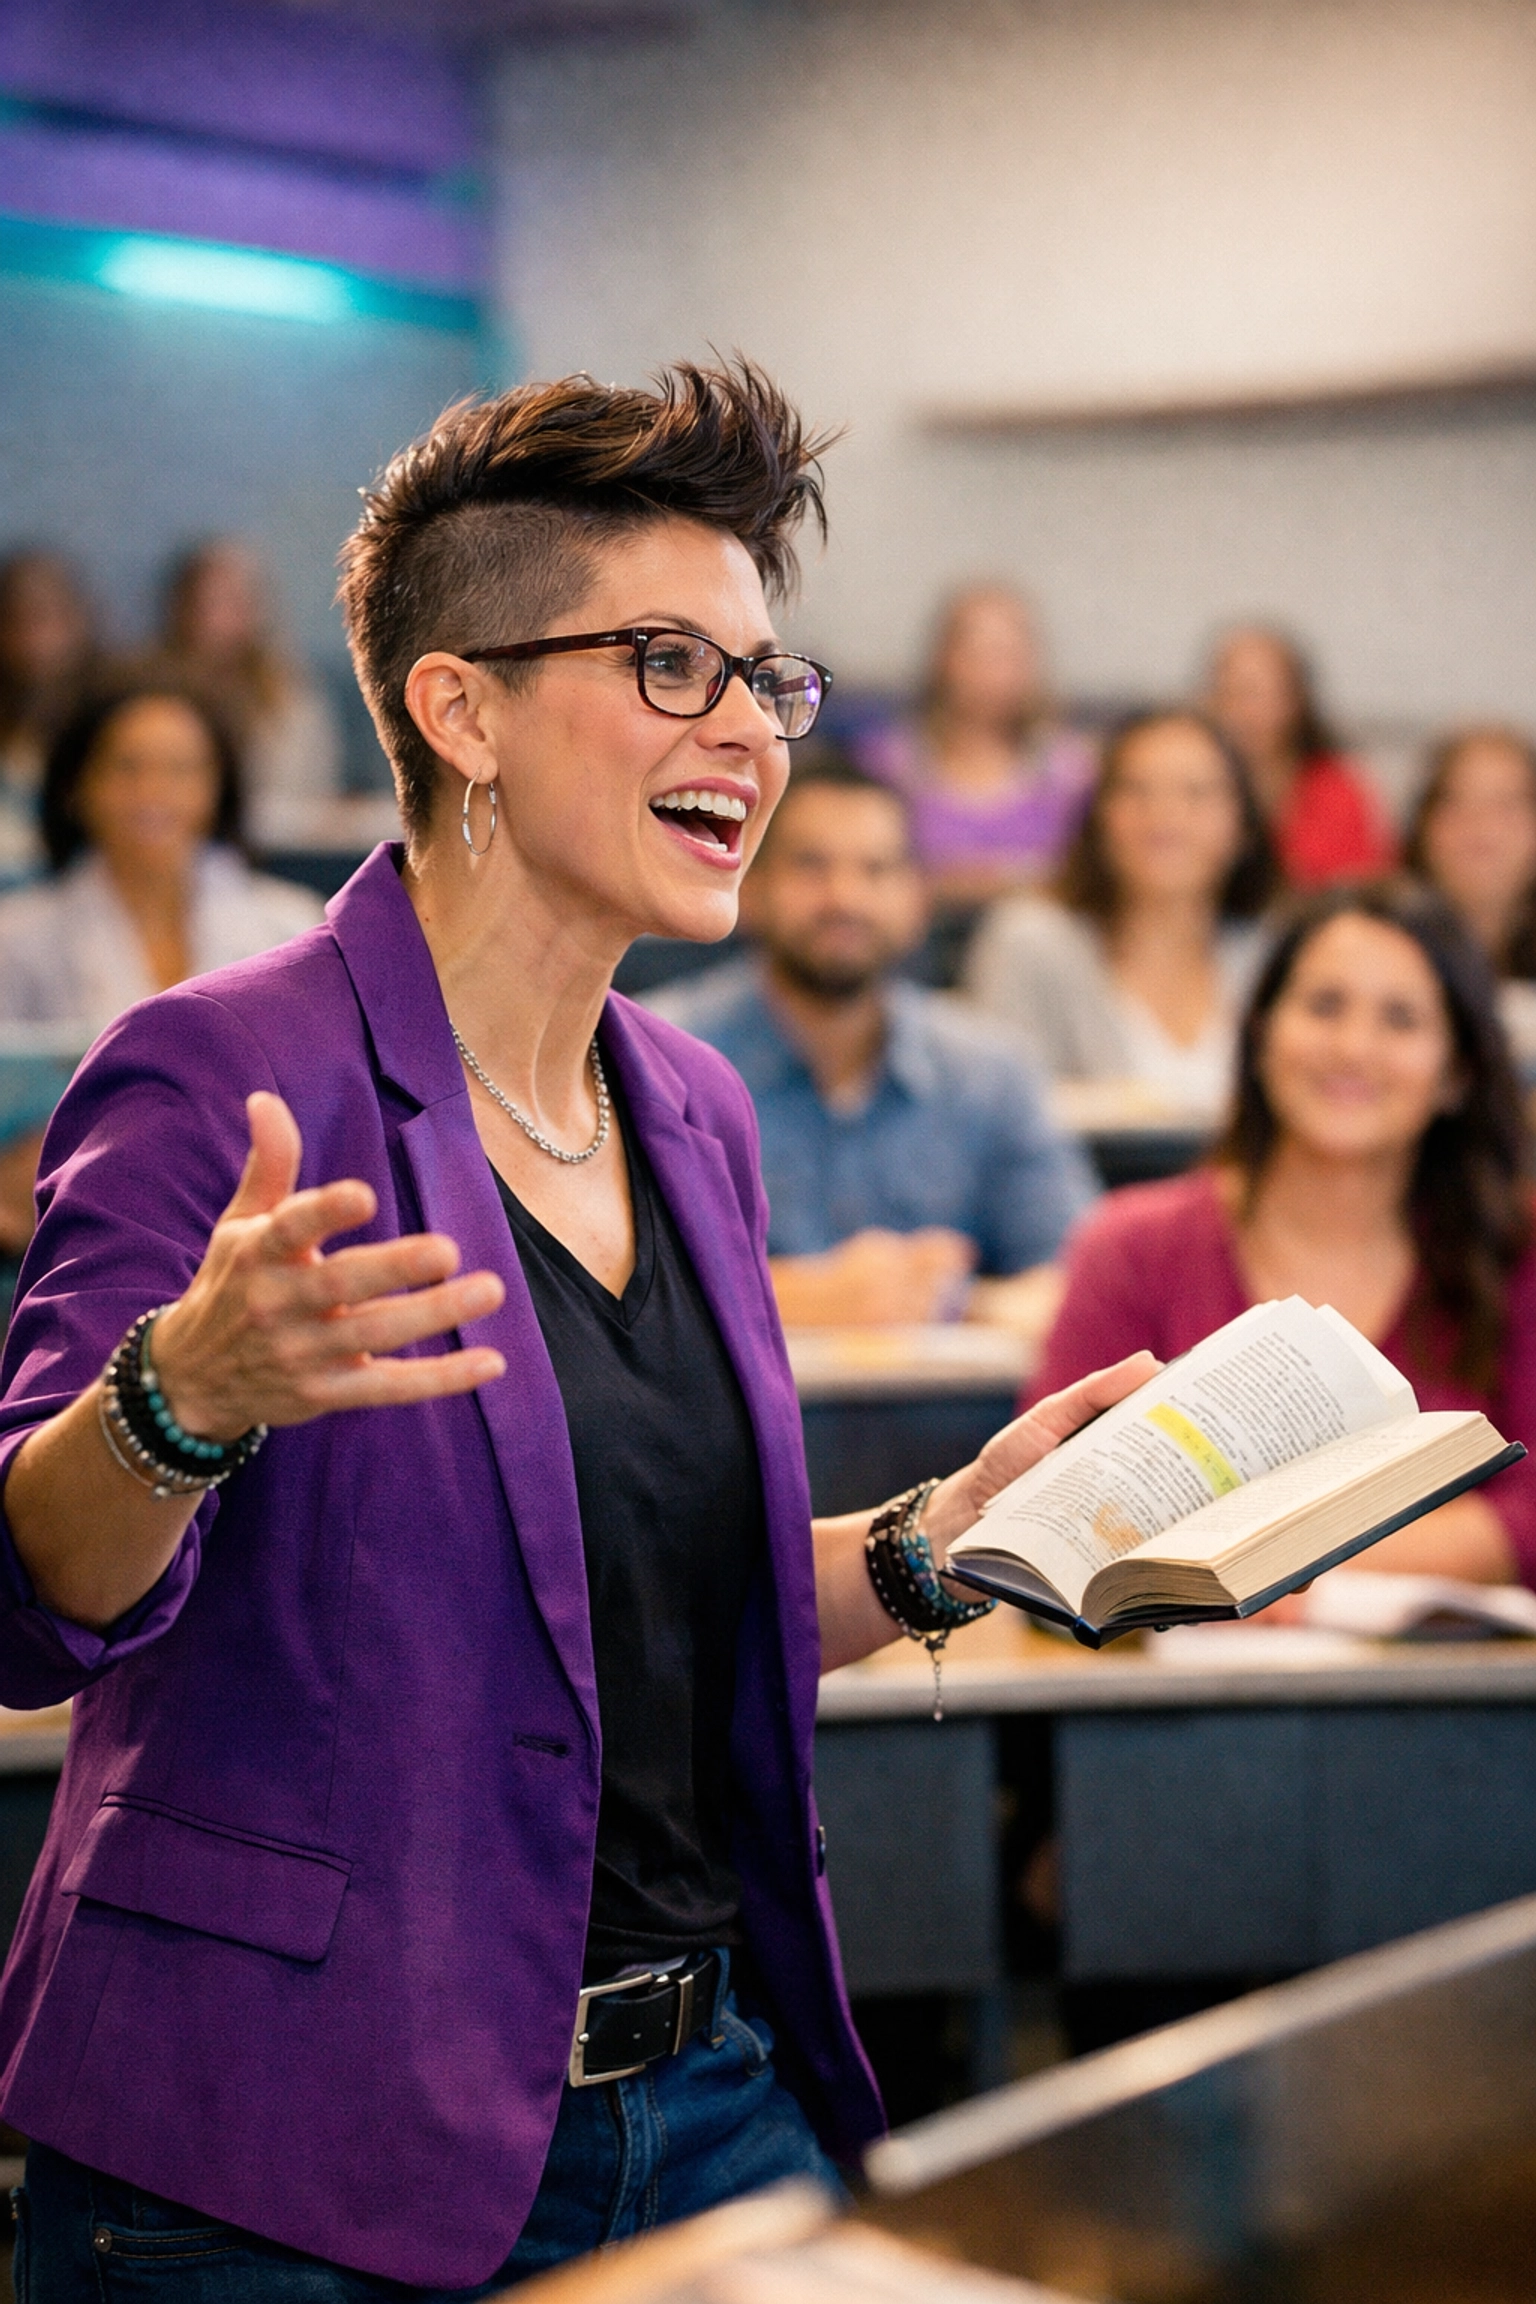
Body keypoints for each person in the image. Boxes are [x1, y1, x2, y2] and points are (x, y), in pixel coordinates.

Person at [0, 364, 1153, 2298]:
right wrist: (177, 1399)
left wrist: (938, 1543)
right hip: (283, 2140)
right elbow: (31, 1595)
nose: (751, 736)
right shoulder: (219, 1071)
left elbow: (622, 1599)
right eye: (668, 666)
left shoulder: (691, 1107)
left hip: (696, 2095)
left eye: (763, 678)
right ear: (459, 707)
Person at [1036, 879, 1536, 1585]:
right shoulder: (1130, 1249)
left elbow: (1531, 1518)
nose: (1353, 1047)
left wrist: (1275, 1571)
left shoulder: (1518, 1251)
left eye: (1400, 1018)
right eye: (1324, 1006)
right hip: (1180, 1686)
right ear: (1262, 1031)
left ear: (1456, 1072)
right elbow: (1058, 1513)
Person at [649, 757, 1097, 1327]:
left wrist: (948, 1299)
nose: (844, 897)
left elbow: (1078, 1278)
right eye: (812, 867)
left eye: (876, 870)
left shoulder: (992, 1072)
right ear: (751, 886)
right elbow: (632, 1304)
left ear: (918, 901)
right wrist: (808, 1299)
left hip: (963, 1417)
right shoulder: (662, 1057)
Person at [0, 680, 321, 1255]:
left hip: (251, 1229)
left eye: (181, 769)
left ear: (218, 786)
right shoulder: (15, 937)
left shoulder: (292, 927)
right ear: (78, 785)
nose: (153, 792)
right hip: (69, 1235)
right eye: (127, 767)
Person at [965, 709, 1277, 1121]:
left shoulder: (1268, 955)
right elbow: (995, 1115)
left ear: (1243, 826)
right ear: (1099, 818)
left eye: (1196, 793)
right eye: (1136, 790)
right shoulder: (1031, 943)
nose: (1165, 815)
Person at [856, 583, 1094, 912]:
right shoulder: (887, 767)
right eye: (975, 650)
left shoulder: (1072, 772)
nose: (990, 671)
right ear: (941, 658)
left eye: (1006, 653)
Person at [157, 536, 345, 848]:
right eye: (210, 603)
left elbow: (314, 794)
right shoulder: (153, 696)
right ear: (182, 608)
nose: (221, 620)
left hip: (281, 850)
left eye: (236, 602)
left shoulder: (291, 696)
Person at [1204, 624, 1394, 886]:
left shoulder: (1336, 789)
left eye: (1254, 693)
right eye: (1226, 692)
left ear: (1294, 700)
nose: (1239, 710)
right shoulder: (1193, 785)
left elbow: (1361, 885)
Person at [1405, 725, 1536, 1079]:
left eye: (1507, 805)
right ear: (1424, 823)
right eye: (1457, 802)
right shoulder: (1384, 947)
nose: (1482, 826)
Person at [0, 549, 100, 884]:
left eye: (44, 621)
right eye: (16, 622)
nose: (34, 643)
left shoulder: (106, 716)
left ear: (76, 623)